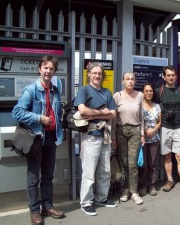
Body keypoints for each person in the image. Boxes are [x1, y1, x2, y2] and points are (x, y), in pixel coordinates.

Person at [12, 56, 65, 225]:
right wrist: (39, 118)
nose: (48, 71)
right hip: (36, 139)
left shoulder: (56, 90)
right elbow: (17, 112)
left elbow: (57, 113)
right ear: (39, 69)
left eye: (51, 69)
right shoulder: (31, 90)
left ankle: (47, 207)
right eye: (45, 68)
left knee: (48, 176)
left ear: (54, 71)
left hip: (51, 139)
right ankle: (34, 211)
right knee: (33, 178)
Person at [74, 62, 117, 216]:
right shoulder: (84, 90)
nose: (97, 76)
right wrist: (101, 113)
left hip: (105, 136)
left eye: (100, 73)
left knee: (105, 171)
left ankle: (101, 198)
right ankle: (86, 202)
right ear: (89, 74)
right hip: (91, 136)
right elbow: (83, 111)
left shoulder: (107, 92)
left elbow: (113, 114)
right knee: (89, 172)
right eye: (94, 73)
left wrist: (100, 114)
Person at [154, 65, 180, 199]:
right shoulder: (159, 91)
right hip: (165, 127)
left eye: (173, 75)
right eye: (168, 75)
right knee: (167, 156)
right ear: (164, 76)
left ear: (176, 76)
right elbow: (153, 109)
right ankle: (169, 180)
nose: (171, 77)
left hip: (179, 127)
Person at [111, 72, 145, 205]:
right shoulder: (117, 96)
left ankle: (134, 192)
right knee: (124, 162)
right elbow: (113, 118)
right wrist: (113, 135)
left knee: (132, 163)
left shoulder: (140, 95)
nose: (130, 81)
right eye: (127, 79)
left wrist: (142, 133)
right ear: (123, 81)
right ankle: (125, 190)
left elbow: (142, 117)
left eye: (132, 79)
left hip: (135, 131)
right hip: (120, 131)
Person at [138, 83, 161, 196]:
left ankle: (151, 185)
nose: (148, 93)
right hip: (142, 138)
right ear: (143, 92)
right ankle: (142, 185)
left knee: (153, 163)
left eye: (150, 91)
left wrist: (154, 130)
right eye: (146, 91)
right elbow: (138, 121)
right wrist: (146, 130)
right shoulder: (139, 105)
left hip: (154, 138)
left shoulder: (157, 106)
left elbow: (159, 122)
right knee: (144, 164)